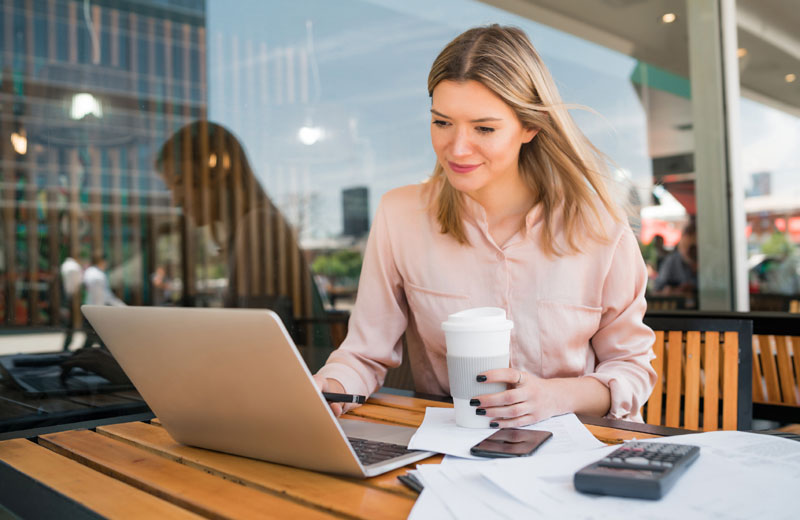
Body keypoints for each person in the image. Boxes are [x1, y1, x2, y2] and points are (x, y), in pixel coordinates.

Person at [313, 25, 656, 426]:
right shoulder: (399, 216)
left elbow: (631, 369)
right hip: (449, 450)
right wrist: (326, 388)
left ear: (530, 126)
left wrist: (553, 397)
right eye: (442, 122)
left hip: (573, 448)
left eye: (484, 128)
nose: (457, 148)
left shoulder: (601, 229)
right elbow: (363, 355)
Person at [81, 251, 125, 348]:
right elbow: (105, 296)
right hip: (96, 312)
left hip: (88, 310)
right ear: (102, 261)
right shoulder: (99, 276)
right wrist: (122, 306)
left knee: (93, 340)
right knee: (104, 342)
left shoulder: (88, 272)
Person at [654, 222, 697, 296]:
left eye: (692, 248)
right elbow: (657, 291)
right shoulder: (672, 262)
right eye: (684, 246)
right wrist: (673, 291)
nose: (687, 252)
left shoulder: (709, 264)